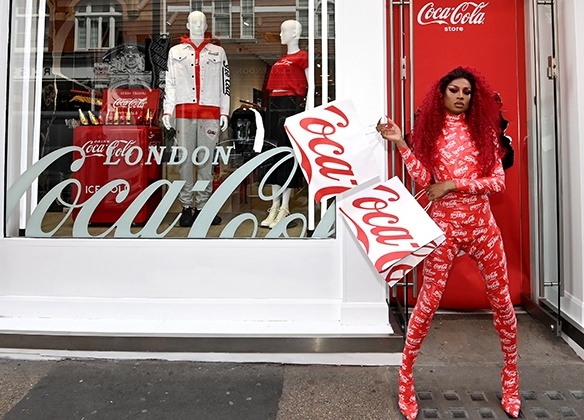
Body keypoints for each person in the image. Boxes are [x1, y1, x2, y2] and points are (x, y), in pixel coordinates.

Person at [377, 66, 520, 419]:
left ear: (473, 97)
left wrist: (453, 185)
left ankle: (512, 379)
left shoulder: (484, 132)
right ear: (441, 94)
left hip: (483, 228)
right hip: (443, 227)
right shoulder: (432, 132)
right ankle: (406, 379)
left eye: (466, 91)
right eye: (454, 90)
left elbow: (497, 182)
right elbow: (425, 180)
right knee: (426, 304)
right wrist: (400, 142)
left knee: (502, 304)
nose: (460, 96)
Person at [162, 11, 230, 227]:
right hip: (183, 112)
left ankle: (202, 207)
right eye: (194, 22)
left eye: (202, 22)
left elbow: (225, 84)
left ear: (207, 24)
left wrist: (224, 112)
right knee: (184, 162)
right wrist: (167, 111)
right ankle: (185, 207)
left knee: (205, 162)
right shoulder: (175, 51)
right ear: (188, 25)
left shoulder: (218, 52)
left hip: (210, 112)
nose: (198, 25)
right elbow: (170, 82)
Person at [260, 20, 309, 228]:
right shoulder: (280, 60)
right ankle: (274, 205)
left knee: (287, 155)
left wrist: (306, 112)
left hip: (290, 106)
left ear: (295, 32)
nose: (280, 35)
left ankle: (285, 207)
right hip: (273, 106)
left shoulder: (302, 57)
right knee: (273, 155)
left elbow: (311, 84)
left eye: (283, 31)